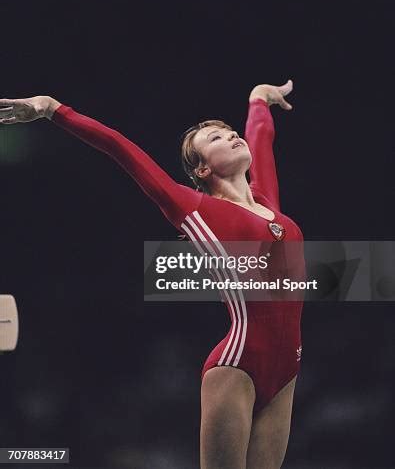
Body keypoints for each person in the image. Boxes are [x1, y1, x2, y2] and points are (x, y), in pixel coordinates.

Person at [0, 80, 305, 469]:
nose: (232, 137)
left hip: (289, 369)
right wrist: (52, 109)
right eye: (217, 137)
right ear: (202, 167)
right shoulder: (194, 208)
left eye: (232, 132)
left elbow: (261, 136)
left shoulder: (269, 204)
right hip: (238, 365)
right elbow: (122, 150)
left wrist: (259, 98)